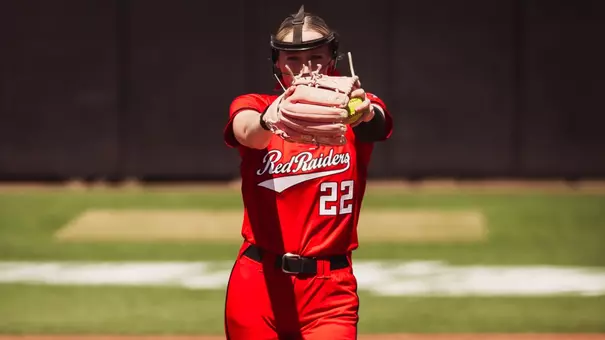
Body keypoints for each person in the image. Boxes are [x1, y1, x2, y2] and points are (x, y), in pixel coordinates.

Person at [223, 5, 393, 340]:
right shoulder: (256, 105)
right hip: (258, 283)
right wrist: (270, 117)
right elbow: (245, 131)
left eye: (315, 58)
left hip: (330, 290)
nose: (305, 70)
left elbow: (378, 123)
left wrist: (365, 111)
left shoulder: (354, 107)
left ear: (333, 58)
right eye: (294, 59)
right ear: (277, 62)